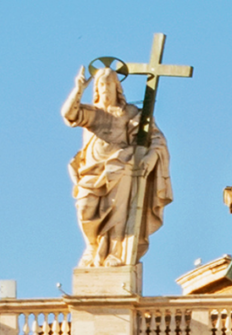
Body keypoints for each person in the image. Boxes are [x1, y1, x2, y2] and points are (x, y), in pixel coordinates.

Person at [63, 66, 173, 272]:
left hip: (121, 167)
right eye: (101, 84)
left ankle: (114, 252)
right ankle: (93, 247)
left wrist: (150, 158)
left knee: (115, 212)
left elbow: (156, 138)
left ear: (117, 87)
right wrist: (78, 90)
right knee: (85, 208)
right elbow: (69, 114)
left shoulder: (130, 113)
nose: (105, 88)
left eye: (109, 83)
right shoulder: (91, 113)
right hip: (91, 170)